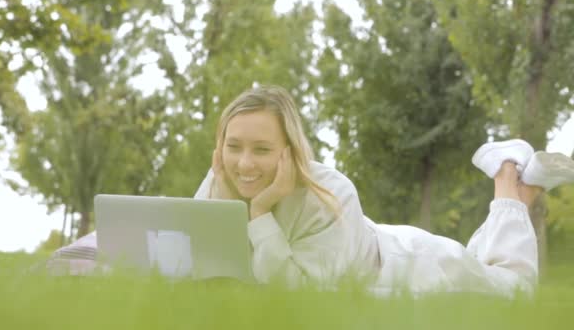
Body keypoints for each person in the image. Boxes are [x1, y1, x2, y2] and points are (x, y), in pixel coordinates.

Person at [47, 85, 574, 297]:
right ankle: (523, 187)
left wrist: (260, 215)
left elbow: (301, 297)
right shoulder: (220, 180)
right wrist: (86, 255)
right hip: (363, 249)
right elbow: (191, 258)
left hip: (407, 267)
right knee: (487, 262)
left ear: (289, 149)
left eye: (261, 149)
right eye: (233, 146)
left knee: (513, 291)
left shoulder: (332, 191)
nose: (244, 164)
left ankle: (509, 172)